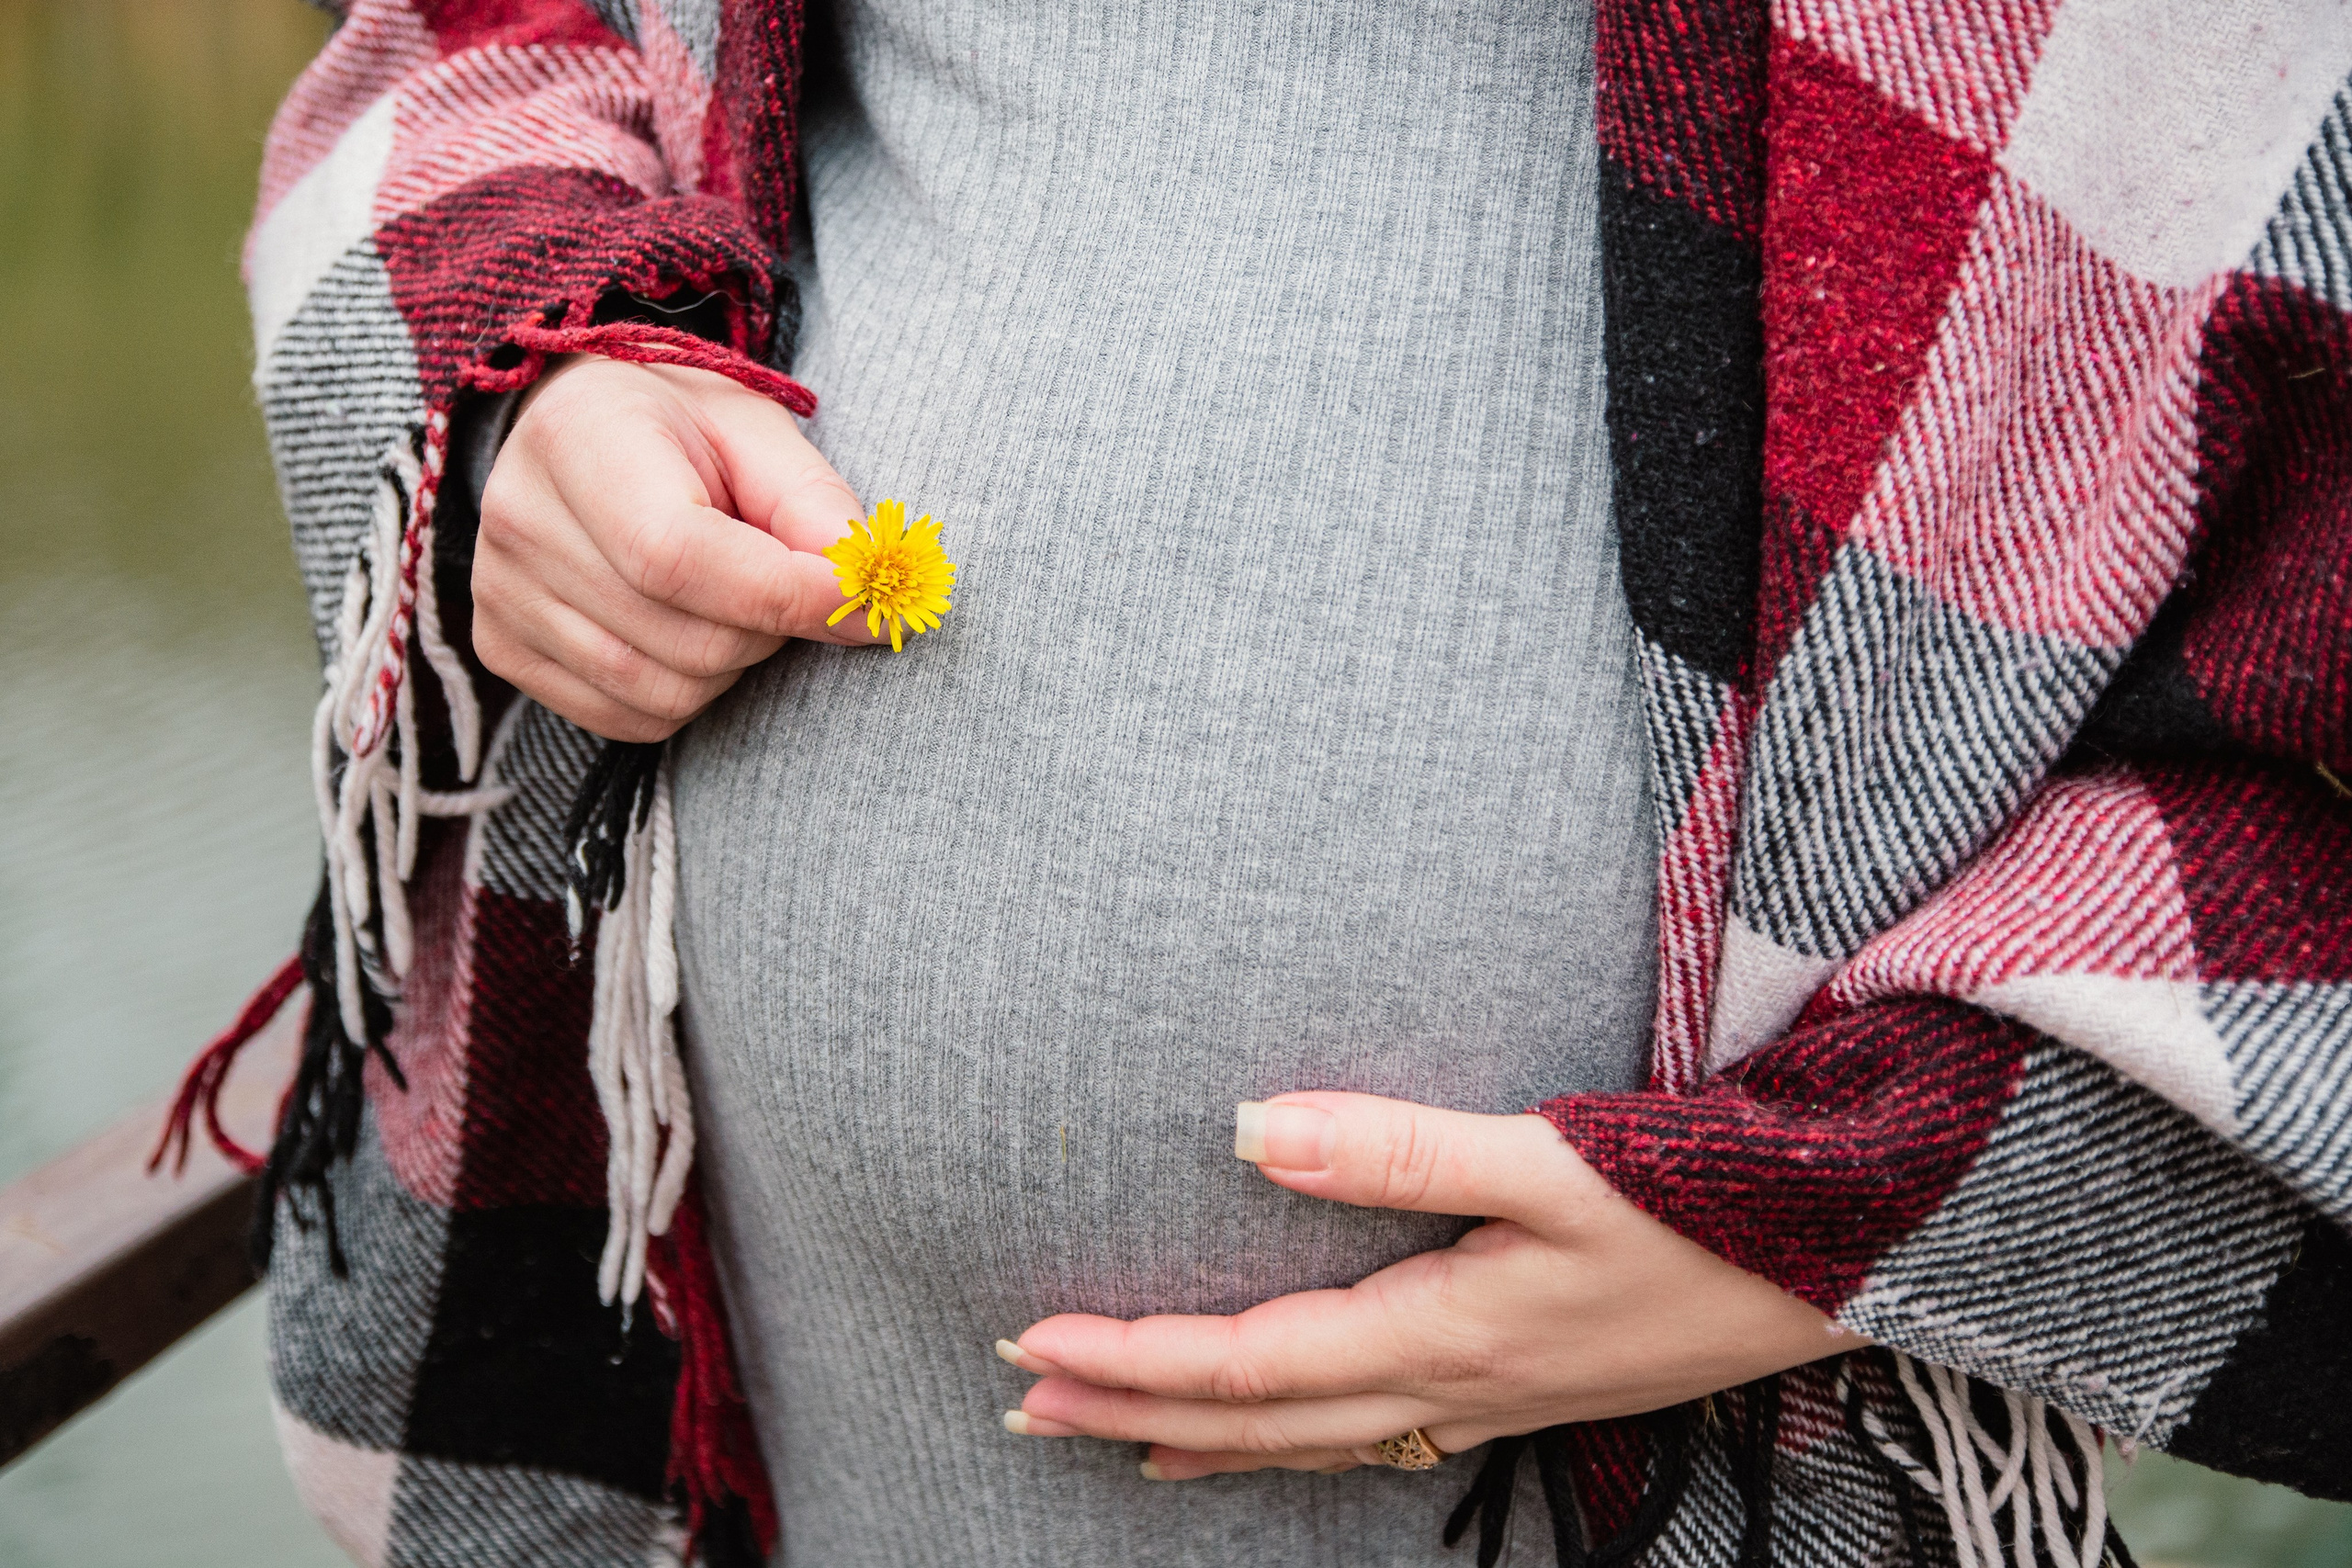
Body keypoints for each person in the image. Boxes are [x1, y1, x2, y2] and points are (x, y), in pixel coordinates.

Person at [209, 1, 2350, 1564]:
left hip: (1718, 1479)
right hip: (787, 1443)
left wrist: (1865, 1196)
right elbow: (463, 33)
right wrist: (532, 382)